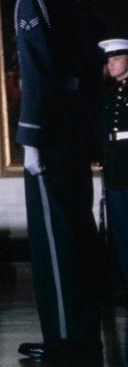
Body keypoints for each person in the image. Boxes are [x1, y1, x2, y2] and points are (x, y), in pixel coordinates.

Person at [8, 0, 102, 364]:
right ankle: (82, 333)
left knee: (55, 240)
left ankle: (66, 339)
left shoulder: (35, 3)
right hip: (74, 131)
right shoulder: (70, 2)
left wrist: (30, 136)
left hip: (50, 133)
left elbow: (38, 70)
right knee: (78, 234)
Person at [99, 38, 128, 288]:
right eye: (109, 60)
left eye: (117, 58)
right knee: (121, 230)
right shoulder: (107, 96)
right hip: (116, 168)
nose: (112, 64)